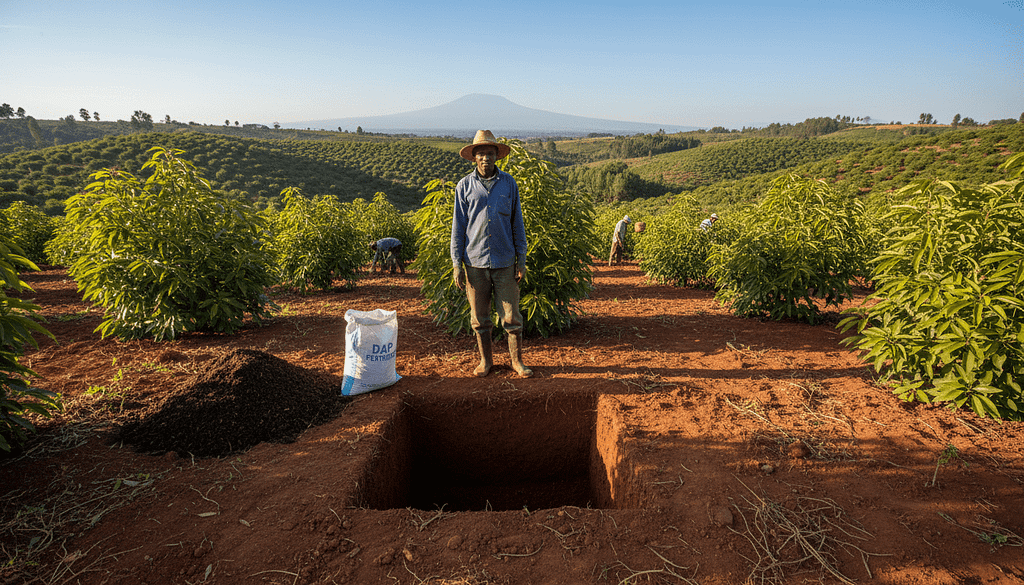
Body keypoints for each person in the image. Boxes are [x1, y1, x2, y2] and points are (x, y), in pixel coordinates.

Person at [450, 130, 532, 378]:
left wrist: (521, 260)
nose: (485, 158)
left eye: (490, 153)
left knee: (512, 316)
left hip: (505, 261)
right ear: (474, 157)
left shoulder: (509, 184)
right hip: (474, 263)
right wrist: (456, 264)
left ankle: (517, 362)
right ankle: (486, 361)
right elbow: (458, 228)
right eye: (481, 154)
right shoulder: (464, 186)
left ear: (497, 156)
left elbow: (517, 224)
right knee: (479, 318)